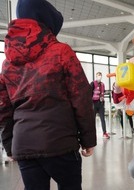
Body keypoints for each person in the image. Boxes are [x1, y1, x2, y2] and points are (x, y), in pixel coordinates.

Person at [0, 0, 97, 189]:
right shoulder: (61, 51)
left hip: (24, 143)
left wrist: (10, 144)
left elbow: (4, 108)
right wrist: (88, 140)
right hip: (60, 142)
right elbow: (81, 97)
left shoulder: (8, 62)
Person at [90, 72, 110, 139]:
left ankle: (104, 133)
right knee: (93, 119)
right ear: (96, 76)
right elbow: (89, 93)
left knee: (102, 119)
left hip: (101, 103)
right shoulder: (92, 83)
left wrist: (102, 100)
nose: (99, 77)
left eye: (100, 75)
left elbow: (102, 92)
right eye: (98, 75)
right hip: (94, 103)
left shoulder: (102, 84)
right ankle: (92, 134)